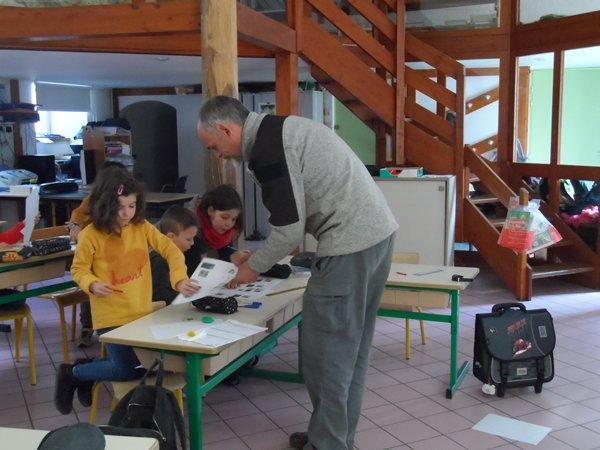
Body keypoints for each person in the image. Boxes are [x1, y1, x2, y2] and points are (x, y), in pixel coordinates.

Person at [197, 95, 398, 450]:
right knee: (351, 349)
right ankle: (331, 435)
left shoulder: (267, 149)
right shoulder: (281, 129)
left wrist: (252, 269)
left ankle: (329, 443)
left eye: (215, 146)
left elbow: (289, 231)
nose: (219, 155)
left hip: (349, 246)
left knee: (327, 357)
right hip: (376, 236)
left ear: (227, 129)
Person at [54, 169, 199, 415]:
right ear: (103, 206)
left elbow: (171, 250)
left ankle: (88, 373)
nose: (126, 213)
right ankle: (74, 373)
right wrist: (91, 283)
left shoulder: (141, 227)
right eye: (119, 207)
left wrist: (179, 279)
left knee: (149, 364)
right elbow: (78, 269)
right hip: (111, 317)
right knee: (128, 370)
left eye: (132, 206)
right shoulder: (90, 235)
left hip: (141, 313)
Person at [67, 161, 129, 348]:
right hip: (95, 255)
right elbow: (76, 216)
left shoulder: (125, 200)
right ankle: (87, 326)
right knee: (92, 288)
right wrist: (76, 228)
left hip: (117, 254)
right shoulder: (93, 201)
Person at [185, 183, 248, 274]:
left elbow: (222, 250)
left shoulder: (225, 230)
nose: (229, 224)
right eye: (224, 217)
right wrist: (230, 260)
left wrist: (235, 256)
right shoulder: (190, 232)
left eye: (234, 219)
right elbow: (194, 271)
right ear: (211, 211)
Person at [151, 205, 199, 304]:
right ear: (171, 237)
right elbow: (159, 295)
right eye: (188, 239)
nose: (192, 243)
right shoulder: (159, 260)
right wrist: (188, 297)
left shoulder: (180, 254)